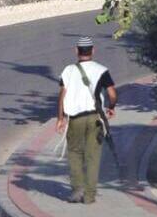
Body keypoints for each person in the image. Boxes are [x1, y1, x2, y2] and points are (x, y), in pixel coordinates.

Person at [56, 36, 117, 204]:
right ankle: (89, 195)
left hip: (75, 119)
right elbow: (112, 94)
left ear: (76, 51)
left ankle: (77, 189)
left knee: (74, 153)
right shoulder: (101, 70)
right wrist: (111, 107)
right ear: (93, 50)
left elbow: (62, 96)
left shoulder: (68, 71)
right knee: (93, 156)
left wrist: (60, 118)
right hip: (95, 118)